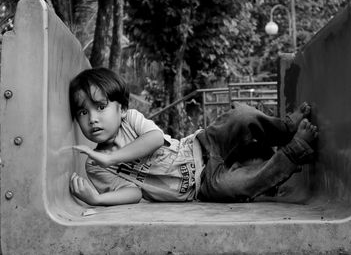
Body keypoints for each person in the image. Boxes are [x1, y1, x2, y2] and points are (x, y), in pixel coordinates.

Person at [69, 67, 318, 206]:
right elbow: (133, 193)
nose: (92, 118)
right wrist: (99, 199)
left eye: (100, 107)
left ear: (121, 109)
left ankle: (284, 129)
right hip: (202, 186)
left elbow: (154, 139)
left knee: (241, 116)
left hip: (202, 145)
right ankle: (294, 153)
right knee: (240, 186)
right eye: (82, 111)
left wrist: (112, 159)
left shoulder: (131, 119)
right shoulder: (94, 164)